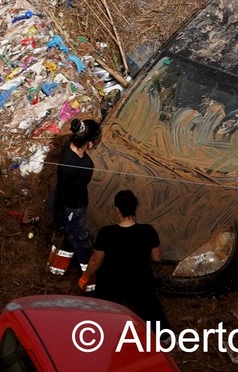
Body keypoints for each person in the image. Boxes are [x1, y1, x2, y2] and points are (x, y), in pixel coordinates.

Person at [83, 189, 165, 325]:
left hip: (112, 283)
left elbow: (95, 261)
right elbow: (157, 258)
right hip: (139, 281)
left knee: (102, 309)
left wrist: (85, 276)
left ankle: (100, 330)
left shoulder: (106, 233)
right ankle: (164, 337)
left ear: (116, 209)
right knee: (151, 305)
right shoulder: (148, 230)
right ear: (135, 208)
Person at [49, 117, 100, 276]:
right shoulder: (85, 165)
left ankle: (55, 268)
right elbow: (67, 192)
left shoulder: (67, 148)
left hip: (61, 200)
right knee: (79, 240)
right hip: (72, 207)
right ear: (90, 143)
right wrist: (60, 219)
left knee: (67, 235)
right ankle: (88, 274)